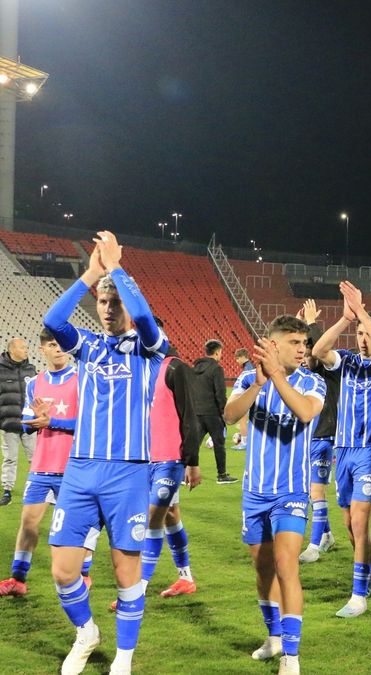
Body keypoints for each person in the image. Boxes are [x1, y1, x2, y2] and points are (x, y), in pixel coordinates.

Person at [43, 232, 167, 675]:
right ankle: (87, 633)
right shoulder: (88, 347)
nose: (109, 308)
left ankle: (124, 658)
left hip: (128, 473)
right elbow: (53, 319)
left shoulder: (150, 348)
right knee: (62, 570)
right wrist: (92, 275)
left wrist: (117, 271)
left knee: (124, 571)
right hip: (80, 471)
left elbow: (147, 320)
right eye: (103, 301)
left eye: (115, 301)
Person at [224, 315, 326, 675]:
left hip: (291, 493)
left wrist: (278, 378)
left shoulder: (312, 381)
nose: (303, 349)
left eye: (305, 343)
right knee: (263, 568)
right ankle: (274, 638)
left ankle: (291, 656)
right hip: (255, 493)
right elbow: (229, 415)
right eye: (295, 343)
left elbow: (303, 413)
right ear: (274, 345)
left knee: (287, 567)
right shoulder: (248, 377)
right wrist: (257, 385)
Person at [311, 283, 371, 618]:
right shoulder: (346, 361)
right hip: (343, 451)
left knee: (361, 522)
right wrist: (346, 319)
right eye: (360, 333)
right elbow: (318, 351)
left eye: (368, 333)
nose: (363, 338)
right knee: (349, 525)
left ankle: (358, 594)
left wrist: (363, 312)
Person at [0, 329, 76, 596]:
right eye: (53, 345)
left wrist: (52, 421)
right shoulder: (35, 382)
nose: (59, 349)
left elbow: (90, 425)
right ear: (42, 349)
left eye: (63, 345)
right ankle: (18, 580)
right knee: (28, 523)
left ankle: (84, 576)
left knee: (74, 529)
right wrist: (34, 420)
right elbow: (28, 422)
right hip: (42, 467)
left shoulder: (81, 380)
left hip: (73, 469)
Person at [138, 325, 203, 601]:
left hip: (170, 459)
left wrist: (192, 461)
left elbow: (190, 415)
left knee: (151, 518)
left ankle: (136, 589)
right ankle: (185, 577)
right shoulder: (135, 369)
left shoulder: (175, 367)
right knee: (170, 516)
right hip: (141, 459)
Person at [298, 300, 340, 564]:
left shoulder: (327, 370)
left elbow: (322, 346)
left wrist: (312, 323)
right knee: (309, 491)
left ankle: (314, 544)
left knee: (316, 491)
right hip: (305, 438)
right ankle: (326, 535)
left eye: (308, 352)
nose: (305, 356)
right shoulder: (302, 372)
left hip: (324, 436)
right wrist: (299, 325)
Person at [192, 338, 235, 484]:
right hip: (213, 413)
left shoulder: (194, 368)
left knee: (193, 444)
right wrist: (224, 412)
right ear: (217, 352)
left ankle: (186, 474)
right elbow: (220, 393)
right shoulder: (216, 369)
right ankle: (222, 475)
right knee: (219, 444)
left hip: (197, 412)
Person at [0, 337, 36, 506]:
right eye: (23, 347)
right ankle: (7, 491)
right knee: (10, 459)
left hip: (30, 424)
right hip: (9, 423)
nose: (26, 350)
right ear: (12, 349)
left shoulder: (31, 369)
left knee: (36, 459)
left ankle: (39, 490)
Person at [233, 347, 253, 450]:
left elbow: (249, 385)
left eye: (237, 358)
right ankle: (246, 440)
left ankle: (244, 443)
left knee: (242, 420)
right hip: (251, 398)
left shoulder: (247, 369)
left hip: (248, 399)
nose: (236, 361)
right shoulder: (250, 367)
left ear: (242, 357)